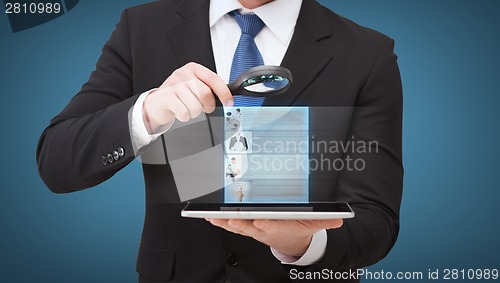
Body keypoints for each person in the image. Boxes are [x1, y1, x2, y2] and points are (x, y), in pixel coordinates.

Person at [36, 0, 403, 282]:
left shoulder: (366, 54)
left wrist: (303, 244)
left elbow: (376, 220)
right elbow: (57, 162)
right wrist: (147, 112)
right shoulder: (142, 28)